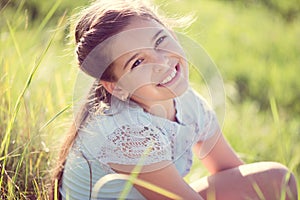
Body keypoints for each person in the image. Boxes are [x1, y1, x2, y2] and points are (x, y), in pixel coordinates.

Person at [49, 0, 298, 199]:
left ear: (172, 33)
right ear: (116, 87)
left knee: (276, 181)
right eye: (137, 62)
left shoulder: (188, 102)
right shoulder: (127, 135)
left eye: (159, 40)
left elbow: (231, 171)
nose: (161, 62)